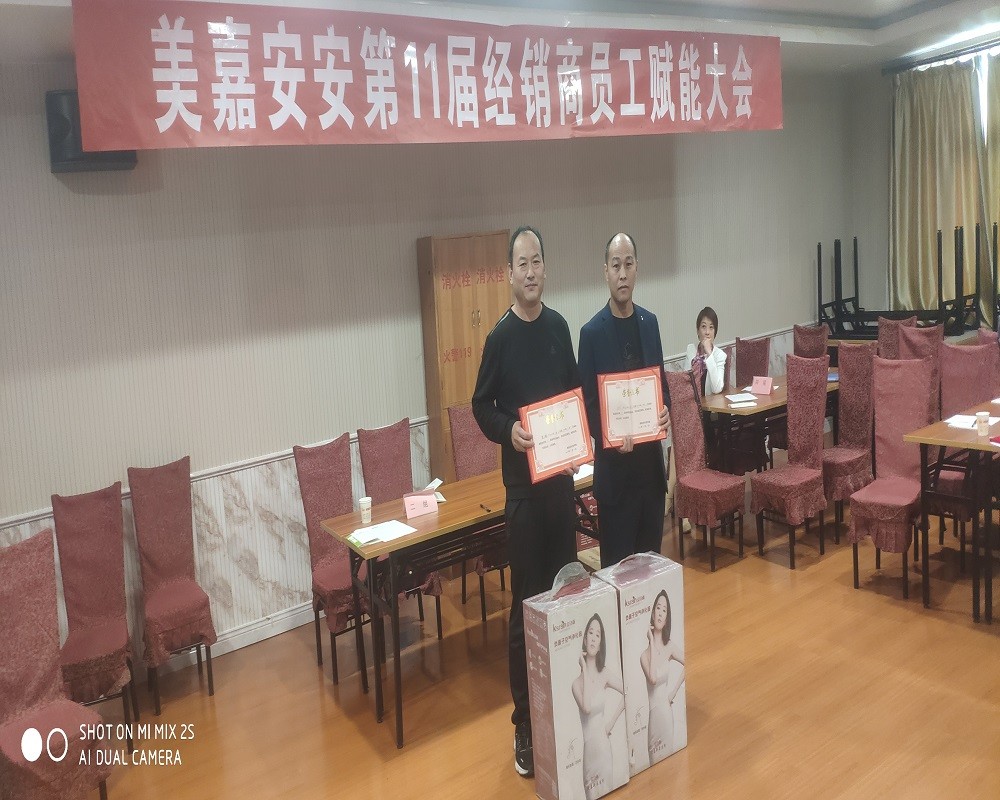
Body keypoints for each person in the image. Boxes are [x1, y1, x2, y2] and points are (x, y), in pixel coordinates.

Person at [472, 225, 581, 779]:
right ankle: (524, 724)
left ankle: (565, 702)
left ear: (544, 267)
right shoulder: (501, 337)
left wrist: (579, 442)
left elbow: (574, 395)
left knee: (564, 595)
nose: (531, 271)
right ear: (509, 273)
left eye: (537, 260)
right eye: (522, 263)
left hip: (561, 488)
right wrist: (508, 431)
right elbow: (480, 405)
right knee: (525, 608)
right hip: (522, 495)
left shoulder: (560, 328)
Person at [578, 233, 671, 568]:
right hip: (616, 481)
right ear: (605, 272)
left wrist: (665, 411)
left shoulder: (650, 323)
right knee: (619, 578)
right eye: (615, 266)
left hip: (650, 477)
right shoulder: (591, 333)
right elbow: (587, 406)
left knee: (651, 574)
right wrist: (610, 436)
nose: (622, 274)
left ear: (636, 269)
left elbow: (662, 388)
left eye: (628, 265)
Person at [571, 613, 624, 800]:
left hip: (604, 749)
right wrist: (585, 670)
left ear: (601, 643)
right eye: (590, 633)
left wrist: (610, 723)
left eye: (598, 634)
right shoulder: (576, 684)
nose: (593, 638)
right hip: (589, 755)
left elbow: (627, 692)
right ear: (585, 639)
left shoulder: (605, 674)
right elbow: (586, 708)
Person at [640, 589, 685, 764]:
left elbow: (688, 662)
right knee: (654, 763)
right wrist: (652, 643)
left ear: (667, 618)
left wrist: (673, 692)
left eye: (664, 610)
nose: (660, 612)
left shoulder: (670, 647)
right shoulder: (644, 656)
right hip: (654, 718)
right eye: (658, 608)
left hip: (666, 714)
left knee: (669, 761)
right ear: (652, 614)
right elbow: (652, 679)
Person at [684, 306, 727, 396]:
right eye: (703, 327)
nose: (707, 332)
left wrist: (709, 354)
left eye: (711, 327)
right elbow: (685, 381)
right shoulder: (691, 349)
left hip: (711, 403)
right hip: (693, 401)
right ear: (697, 330)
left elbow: (717, 389)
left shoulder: (720, 355)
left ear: (715, 332)